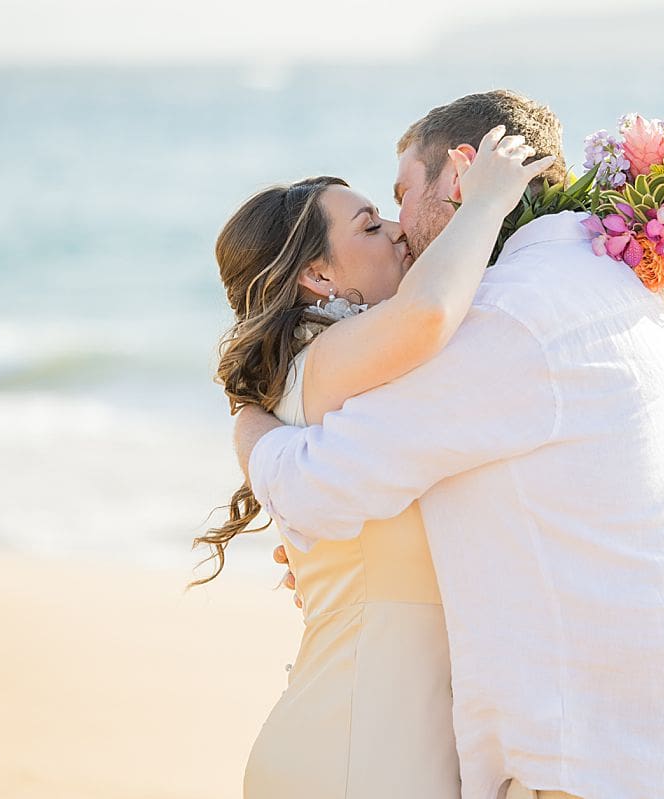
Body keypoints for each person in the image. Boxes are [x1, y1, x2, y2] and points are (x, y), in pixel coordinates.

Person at [235, 90, 664, 799]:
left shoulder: (504, 318)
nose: (400, 229)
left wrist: (246, 424)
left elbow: (316, 488)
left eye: (402, 196)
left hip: (614, 761)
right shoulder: (637, 293)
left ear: (464, 177)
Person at [200, 125, 555, 798]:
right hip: (357, 752)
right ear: (317, 274)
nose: (396, 229)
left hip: (367, 740)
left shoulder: (338, 382)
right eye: (368, 226)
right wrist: (484, 203)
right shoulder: (326, 363)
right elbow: (427, 314)